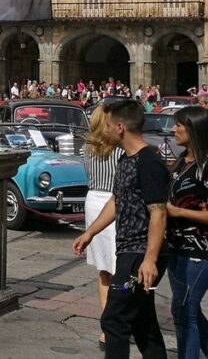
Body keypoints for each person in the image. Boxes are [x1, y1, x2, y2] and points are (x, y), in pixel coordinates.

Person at [73, 99, 169, 359]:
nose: (103, 131)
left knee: (114, 320)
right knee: (142, 324)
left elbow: (158, 212)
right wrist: (90, 232)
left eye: (106, 126)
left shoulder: (149, 161)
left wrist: (149, 260)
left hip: (138, 254)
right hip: (127, 249)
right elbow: (116, 201)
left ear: (120, 127)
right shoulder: (126, 160)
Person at [165, 105, 208, 358]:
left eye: (178, 125)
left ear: (193, 129)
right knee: (182, 311)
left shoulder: (206, 166)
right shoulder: (183, 161)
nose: (173, 129)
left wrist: (178, 213)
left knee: (187, 310)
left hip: (200, 249)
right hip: (177, 246)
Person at [82, 105, 124, 350]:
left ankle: (106, 326)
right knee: (121, 266)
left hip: (93, 201)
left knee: (105, 269)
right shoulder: (119, 151)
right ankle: (119, 323)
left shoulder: (87, 148)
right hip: (113, 202)